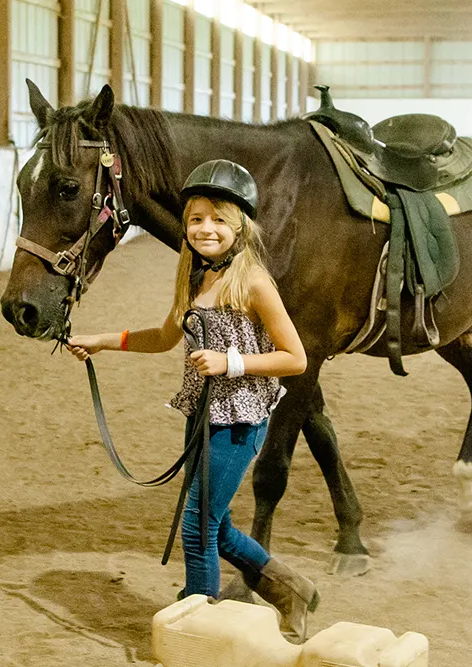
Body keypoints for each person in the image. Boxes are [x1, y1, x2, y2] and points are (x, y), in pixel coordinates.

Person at [63, 159, 322, 639]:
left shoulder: (255, 283)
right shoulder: (193, 277)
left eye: (219, 219)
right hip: (202, 413)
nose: (206, 229)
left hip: (240, 419)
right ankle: (292, 590)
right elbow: (164, 336)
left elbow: (296, 358)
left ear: (240, 227)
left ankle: (202, 627)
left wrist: (232, 362)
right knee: (215, 524)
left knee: (197, 527)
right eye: (197, 218)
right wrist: (102, 339)